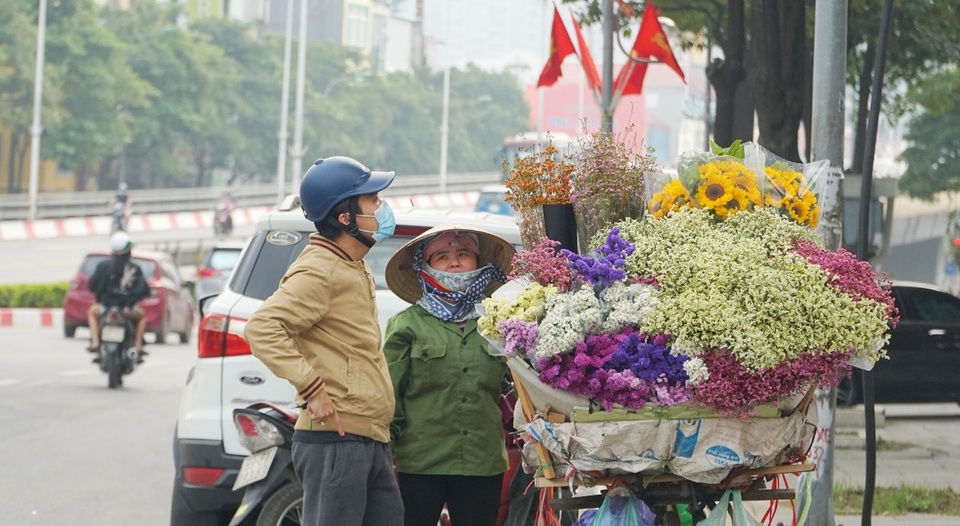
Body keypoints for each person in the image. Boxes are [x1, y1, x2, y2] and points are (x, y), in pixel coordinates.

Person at [244, 156, 404, 526]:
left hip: (367, 437)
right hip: (336, 441)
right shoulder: (320, 268)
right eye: (373, 202)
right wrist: (312, 388)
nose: (382, 209)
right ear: (345, 217)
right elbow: (263, 327)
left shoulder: (352, 263)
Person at [383, 225, 517, 526]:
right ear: (425, 267)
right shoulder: (407, 326)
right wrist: (382, 454)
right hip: (419, 463)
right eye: (441, 256)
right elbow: (389, 397)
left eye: (464, 254)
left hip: (482, 461)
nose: (454, 263)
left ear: (479, 263)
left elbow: (520, 385)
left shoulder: (497, 324)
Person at [86, 231, 149, 361]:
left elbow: (92, 286)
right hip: (127, 309)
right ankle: (137, 346)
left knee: (92, 313)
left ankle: (95, 343)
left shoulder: (103, 266)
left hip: (106, 307)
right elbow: (142, 290)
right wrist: (128, 305)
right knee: (142, 316)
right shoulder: (134, 268)